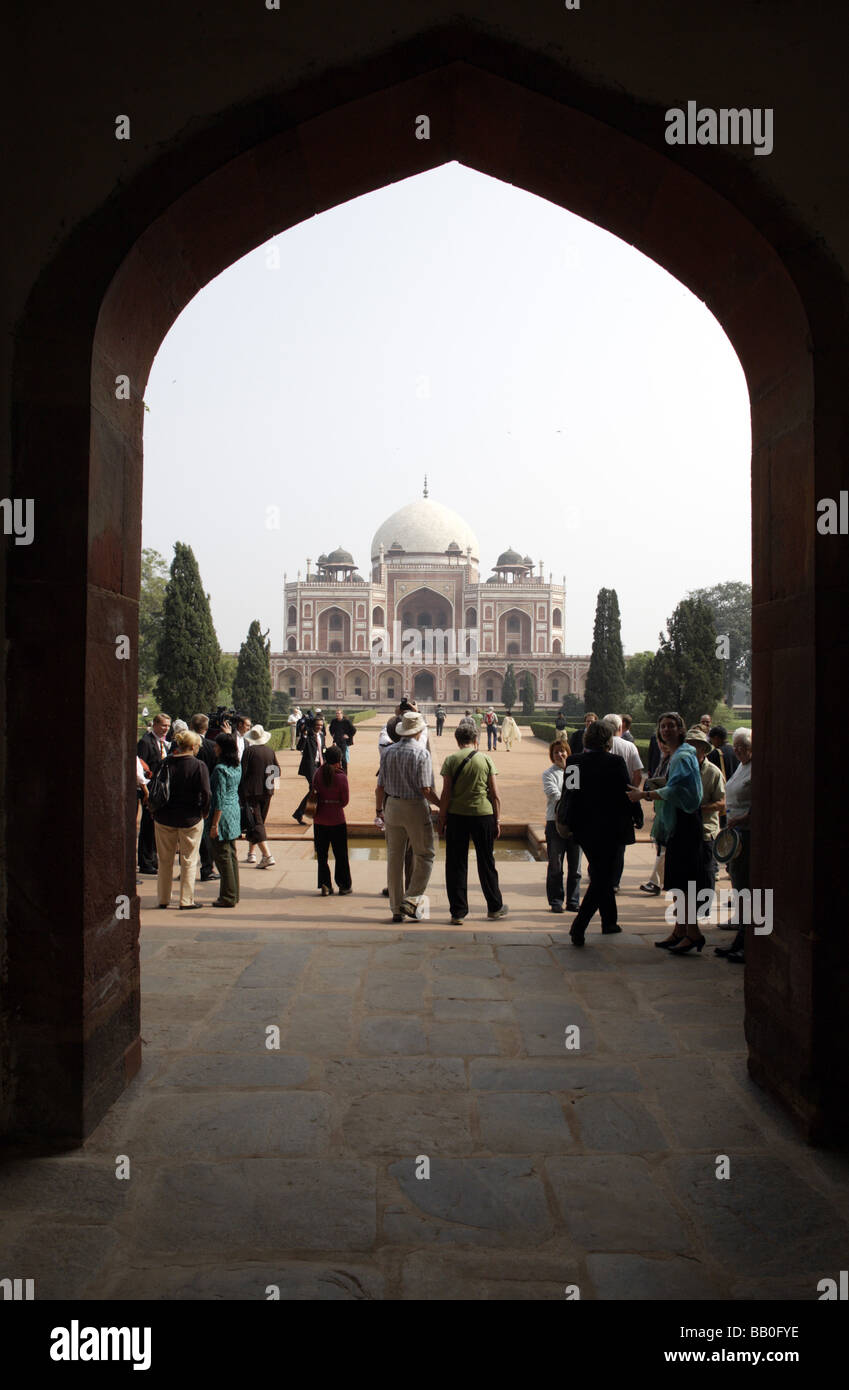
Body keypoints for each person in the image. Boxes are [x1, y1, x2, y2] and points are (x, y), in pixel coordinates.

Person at [629, 711, 705, 953]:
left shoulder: (683, 755)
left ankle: (693, 934)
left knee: (684, 882)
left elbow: (674, 789)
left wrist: (644, 795)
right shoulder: (672, 755)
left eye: (671, 726)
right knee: (675, 880)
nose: (666, 730)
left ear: (680, 730)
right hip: (676, 823)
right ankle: (680, 930)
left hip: (685, 822)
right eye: (663, 726)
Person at [564, 719, 634, 943]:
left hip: (583, 827)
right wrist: (638, 814)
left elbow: (570, 792)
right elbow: (627, 792)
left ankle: (609, 921)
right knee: (603, 876)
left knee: (599, 872)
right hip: (610, 828)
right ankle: (579, 926)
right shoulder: (615, 762)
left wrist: (568, 820)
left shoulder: (574, 761)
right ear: (608, 740)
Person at [437, 716, 507, 925]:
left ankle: (458, 912)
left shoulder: (451, 760)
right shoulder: (485, 759)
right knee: (486, 862)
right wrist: (498, 819)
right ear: (476, 739)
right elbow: (494, 794)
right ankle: (494, 907)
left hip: (457, 816)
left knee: (456, 864)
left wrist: (441, 818)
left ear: (457, 740)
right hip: (483, 815)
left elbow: (446, 794)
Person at [375, 709, 440, 921]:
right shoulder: (421, 753)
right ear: (418, 732)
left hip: (392, 805)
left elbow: (380, 787)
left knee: (394, 858)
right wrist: (443, 805)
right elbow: (425, 790)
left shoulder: (388, 752)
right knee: (425, 854)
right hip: (414, 807)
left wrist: (379, 811)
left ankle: (395, 909)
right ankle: (411, 899)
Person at [152, 728, 210, 910]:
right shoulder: (198, 765)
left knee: (164, 860)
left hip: (164, 817)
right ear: (193, 746)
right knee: (189, 861)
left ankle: (163, 898)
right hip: (190, 818)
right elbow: (206, 793)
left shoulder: (165, 763)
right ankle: (186, 900)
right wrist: (204, 812)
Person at [714, 728, 753, 964]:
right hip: (736, 832)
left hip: (748, 833)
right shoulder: (742, 765)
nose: (738, 750)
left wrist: (743, 818)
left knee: (749, 888)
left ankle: (749, 943)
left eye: (743, 746)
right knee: (739, 886)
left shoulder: (757, 766)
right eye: (736, 745)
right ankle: (741, 940)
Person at [685, 725, 726, 920]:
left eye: (695, 746)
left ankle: (704, 910)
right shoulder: (682, 768)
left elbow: (722, 802)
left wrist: (700, 808)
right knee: (688, 872)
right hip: (685, 829)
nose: (691, 750)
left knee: (706, 871)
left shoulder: (713, 772)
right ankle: (689, 909)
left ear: (703, 749)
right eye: (688, 746)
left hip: (705, 829)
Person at [602, 714, 644, 892]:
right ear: (621, 728)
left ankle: (599, 874)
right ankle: (614, 882)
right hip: (624, 801)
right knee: (619, 845)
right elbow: (638, 774)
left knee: (601, 840)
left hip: (602, 801)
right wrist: (632, 793)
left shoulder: (599, 747)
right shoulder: (629, 746)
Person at [543, 740, 582, 912]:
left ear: (568, 752)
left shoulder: (575, 772)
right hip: (555, 822)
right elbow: (553, 794)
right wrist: (572, 800)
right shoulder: (549, 773)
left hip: (575, 823)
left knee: (575, 867)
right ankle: (556, 901)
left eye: (563, 751)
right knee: (555, 865)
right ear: (551, 756)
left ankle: (573, 901)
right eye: (556, 752)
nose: (560, 755)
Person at [312, 744, 351, 895]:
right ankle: (344, 885)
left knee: (322, 856)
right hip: (336, 819)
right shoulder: (341, 777)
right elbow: (345, 801)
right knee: (341, 854)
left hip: (319, 819)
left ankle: (325, 884)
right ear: (339, 760)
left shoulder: (317, 773)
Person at [209, 732, 242, 908]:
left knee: (222, 856)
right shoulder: (237, 766)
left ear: (222, 749)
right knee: (231, 854)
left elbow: (219, 799)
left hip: (222, 814)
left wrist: (214, 824)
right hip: (234, 811)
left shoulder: (220, 769)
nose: (214, 748)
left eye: (216, 745)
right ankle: (233, 893)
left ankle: (228, 896)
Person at [241, 725, 280, 867]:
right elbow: (277, 771)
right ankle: (251, 853)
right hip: (267, 792)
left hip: (251, 793)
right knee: (258, 823)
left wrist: (241, 793)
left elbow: (243, 773)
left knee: (256, 824)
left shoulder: (249, 751)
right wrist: (270, 786)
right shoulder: (270, 751)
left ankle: (267, 856)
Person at [137, 712, 171, 873]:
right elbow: (141, 767)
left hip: (158, 790)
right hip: (148, 790)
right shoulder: (145, 742)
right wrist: (145, 791)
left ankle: (152, 858)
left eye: (168, 726)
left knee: (156, 825)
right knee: (147, 825)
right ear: (155, 725)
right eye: (163, 725)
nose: (166, 729)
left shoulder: (162, 743)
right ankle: (145, 862)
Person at [639, 734, 671, 895]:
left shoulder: (674, 761)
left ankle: (656, 881)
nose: (663, 746)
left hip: (670, 811)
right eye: (661, 742)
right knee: (662, 847)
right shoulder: (664, 760)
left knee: (664, 848)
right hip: (662, 809)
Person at [191, 713, 219, 882]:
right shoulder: (211, 746)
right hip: (206, 793)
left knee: (187, 833)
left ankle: (185, 868)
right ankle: (207, 868)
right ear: (207, 728)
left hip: (187, 794)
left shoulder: (180, 744)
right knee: (206, 834)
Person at [293, 714, 325, 823]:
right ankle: (302, 812)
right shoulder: (309, 735)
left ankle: (300, 813)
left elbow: (323, 750)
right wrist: (304, 736)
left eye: (321, 725)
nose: (319, 727)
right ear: (313, 725)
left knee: (315, 790)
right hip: (309, 766)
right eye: (317, 725)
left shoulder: (322, 735)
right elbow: (299, 747)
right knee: (315, 788)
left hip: (319, 765)